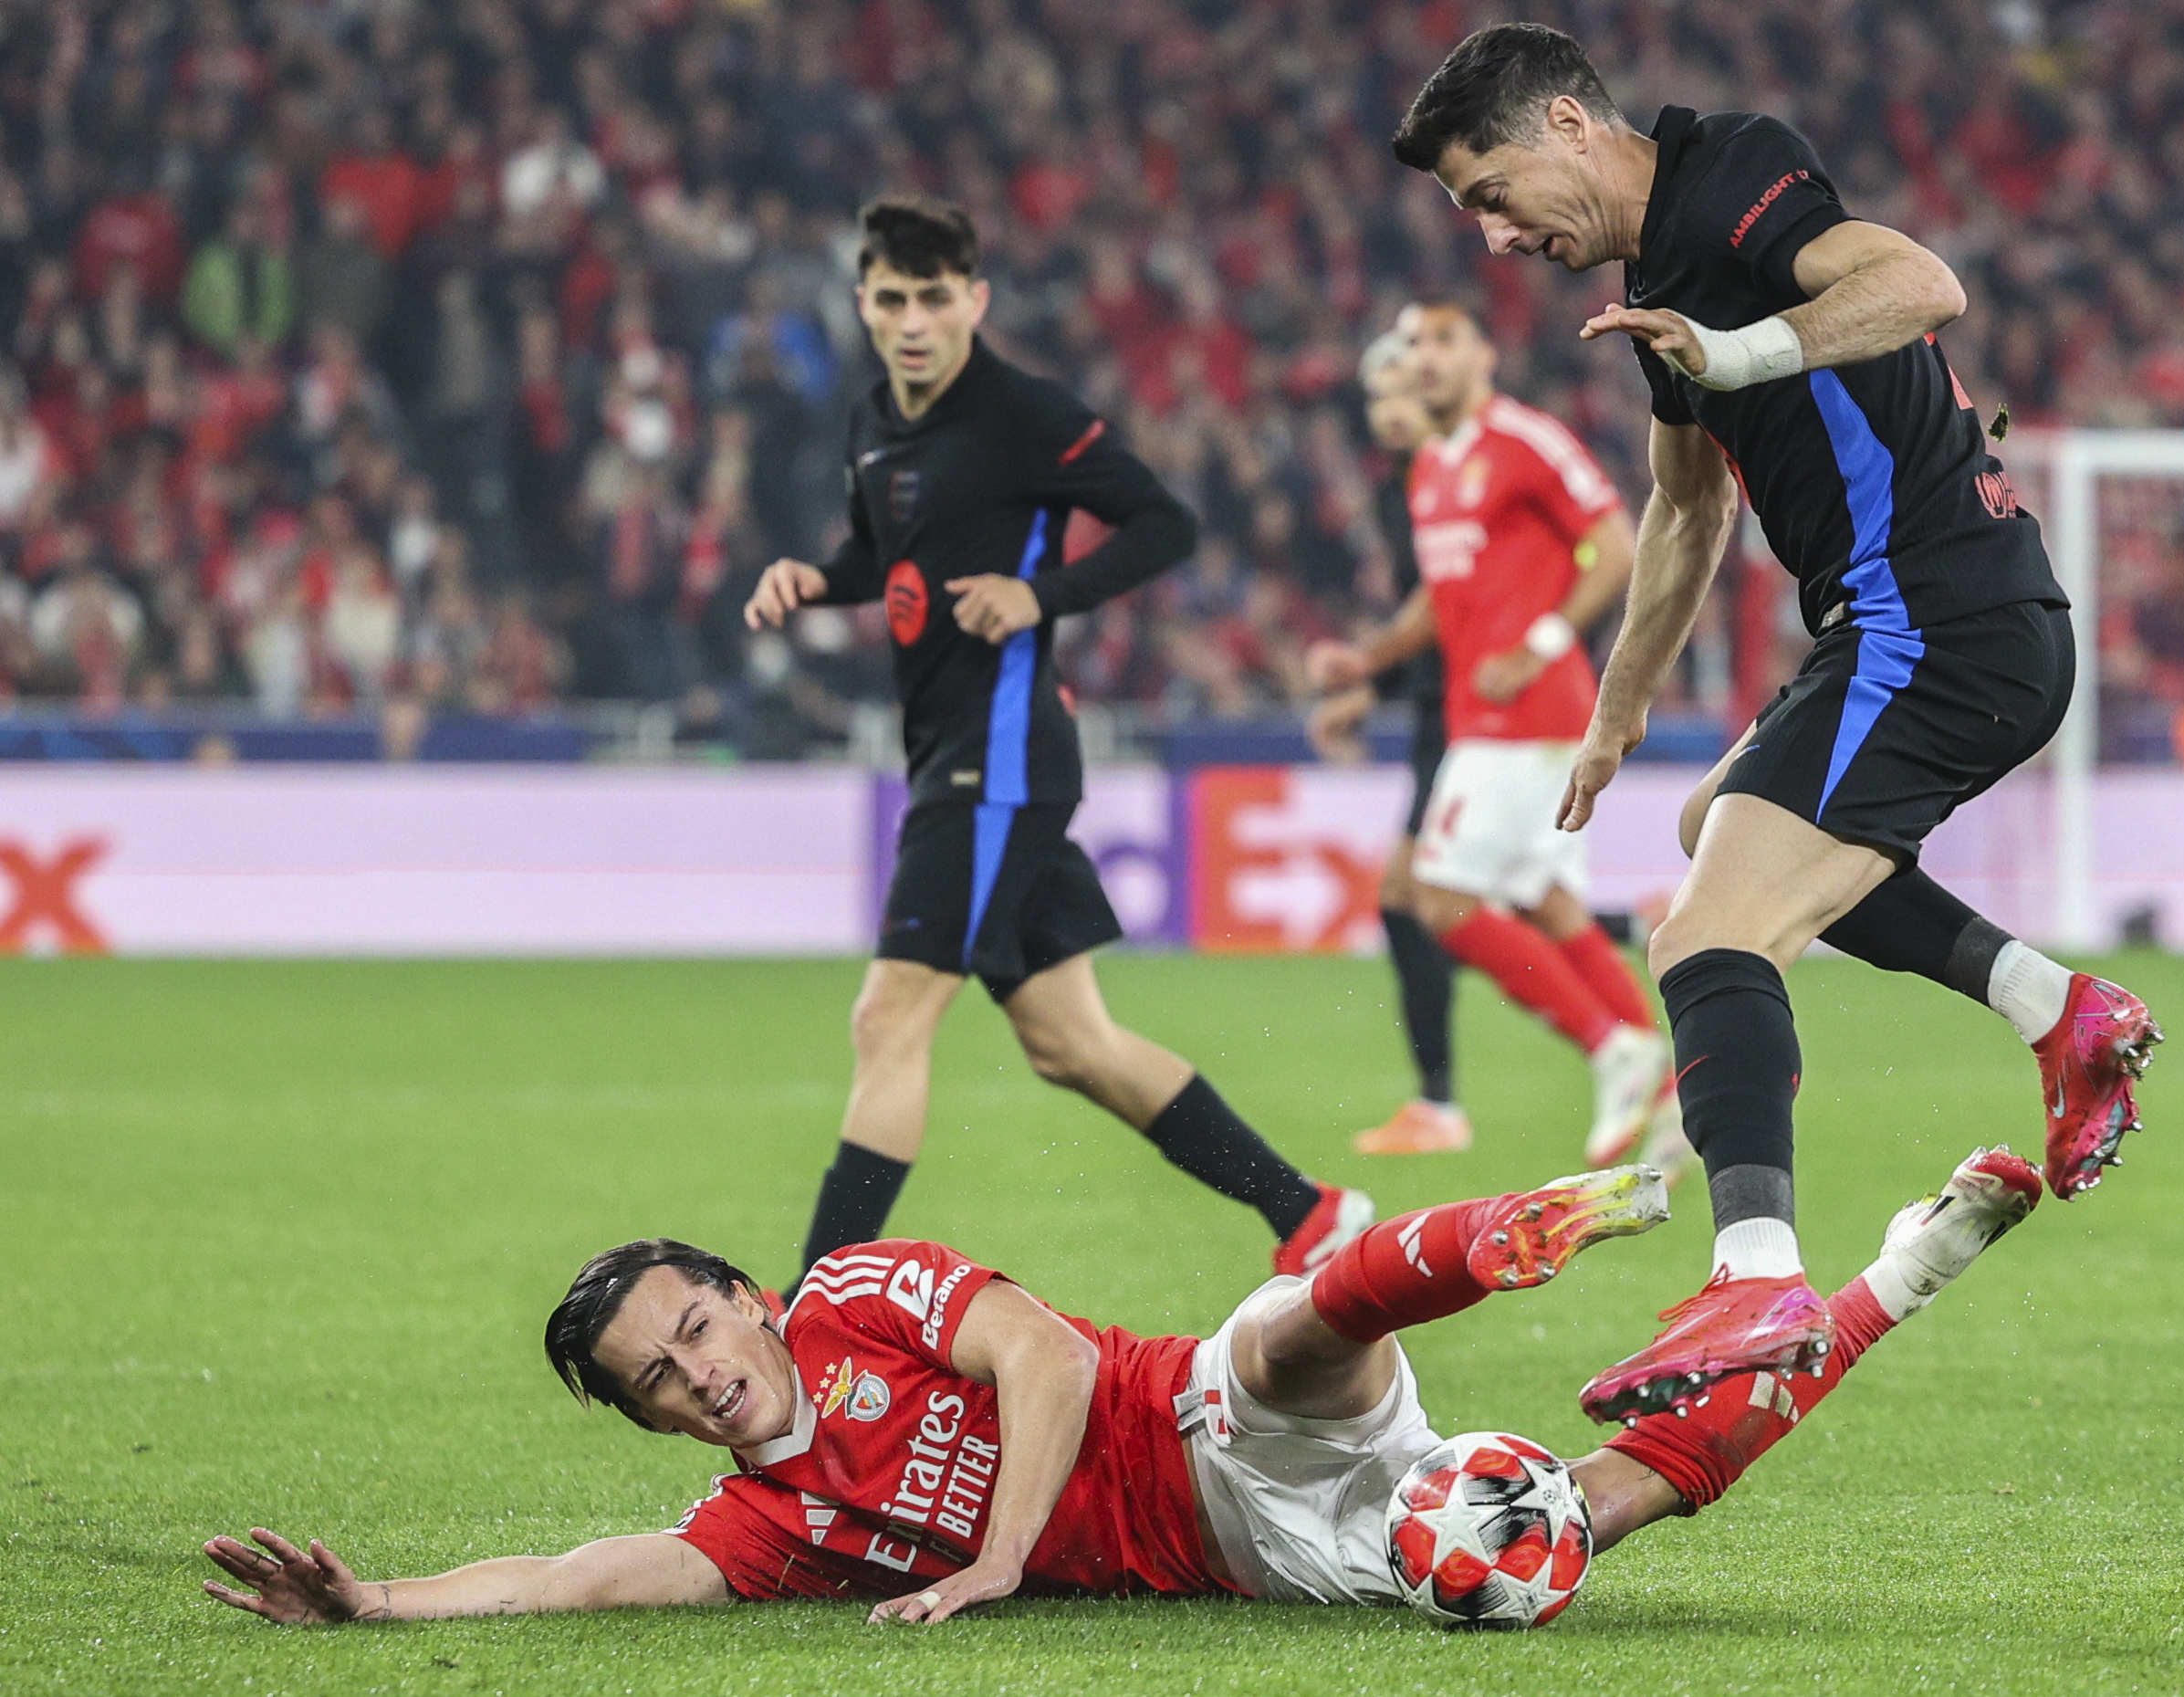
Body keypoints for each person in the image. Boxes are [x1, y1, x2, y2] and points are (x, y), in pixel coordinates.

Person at [1390, 24, 2161, 1417]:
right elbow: (1688, 507)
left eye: (1491, 192)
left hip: (1939, 621)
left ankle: (1757, 1271)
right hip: (1901, 628)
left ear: (1568, 123)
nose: (1496, 237)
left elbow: (1920, 282)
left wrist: (1738, 348)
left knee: (1707, 931)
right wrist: (1616, 712)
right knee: (1706, 829)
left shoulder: (1729, 172)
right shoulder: (1658, 287)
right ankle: (2061, 1007)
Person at [200, 1146, 2043, 1626]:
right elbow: (587, 1573)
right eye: (654, 1375)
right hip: (1259, 1565)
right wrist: (375, 1596)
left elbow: (1049, 1349)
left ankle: (1504, 1228)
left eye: (694, 1318)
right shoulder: (762, 1519)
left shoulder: (851, 1290)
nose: (695, 1366)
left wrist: (1000, 1554)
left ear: (745, 1291)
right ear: (647, 1408)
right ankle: (1903, 1265)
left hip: (1196, 1420)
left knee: (1276, 1338)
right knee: (1567, 1527)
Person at [742, 194, 1365, 1281]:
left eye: (935, 299)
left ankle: (810, 1303)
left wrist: (1042, 595)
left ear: (974, 299)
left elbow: (1165, 521)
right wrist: (815, 577)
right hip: (953, 750)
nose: (913, 321)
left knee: (888, 1016)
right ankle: (1308, 1211)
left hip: (1000, 751)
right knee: (1071, 1043)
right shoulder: (872, 417)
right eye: (892, 299)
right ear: (864, 303)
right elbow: (881, 552)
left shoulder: (1023, 413)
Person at [1308, 300, 1669, 1168]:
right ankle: (1668, 1080)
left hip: (1526, 714)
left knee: (1438, 896)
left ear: (1483, 354)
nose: (1425, 358)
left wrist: (1542, 642)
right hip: (1484, 716)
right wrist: (1371, 660)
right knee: (1545, 903)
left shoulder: (1527, 440)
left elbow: (1617, 545)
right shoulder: (1431, 467)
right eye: (1413, 344)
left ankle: (1610, 1046)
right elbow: (1442, 596)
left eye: (1444, 340)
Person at [1305, 329, 1467, 1156]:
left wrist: (1366, 671)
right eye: (1379, 399)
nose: (1392, 412)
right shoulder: (1401, 490)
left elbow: (1453, 614)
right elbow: (1434, 625)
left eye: (1406, 392)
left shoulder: (1461, 481)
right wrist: (1374, 688)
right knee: (1451, 901)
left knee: (1417, 899)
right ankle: (1438, 1101)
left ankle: (1440, 1103)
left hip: (1480, 711)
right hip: (1444, 709)